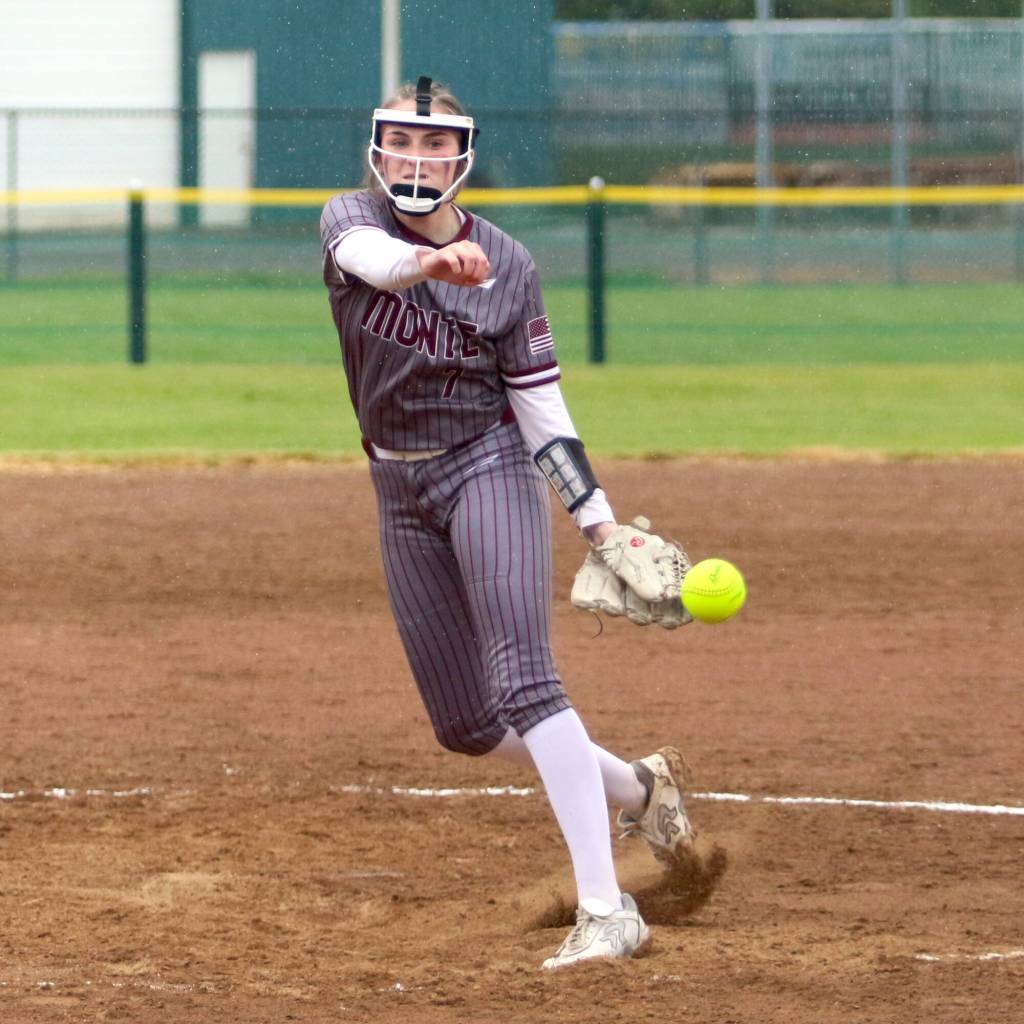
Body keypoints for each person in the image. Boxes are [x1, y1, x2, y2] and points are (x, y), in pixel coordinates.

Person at [320, 77, 697, 970]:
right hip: (396, 486)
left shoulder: (509, 264)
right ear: (378, 149)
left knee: (526, 681)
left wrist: (599, 525)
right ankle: (640, 788)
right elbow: (377, 263)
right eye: (402, 142)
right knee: (466, 724)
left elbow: (540, 407)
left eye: (435, 144)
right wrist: (428, 266)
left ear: (463, 157)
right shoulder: (349, 221)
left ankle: (607, 911)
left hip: (483, 466)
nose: (417, 159)